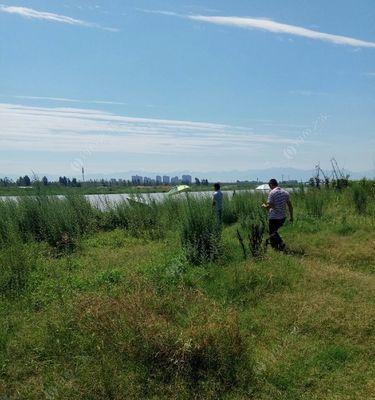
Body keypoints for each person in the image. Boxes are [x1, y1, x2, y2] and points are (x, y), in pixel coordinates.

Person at [262, 178, 293, 250]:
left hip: (274, 218)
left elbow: (269, 207)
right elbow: (290, 206)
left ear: (270, 185)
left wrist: (264, 205)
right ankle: (276, 247)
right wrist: (291, 217)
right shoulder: (285, 193)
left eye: (269, 185)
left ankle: (280, 245)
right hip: (283, 217)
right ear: (277, 184)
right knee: (274, 232)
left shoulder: (272, 193)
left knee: (272, 233)